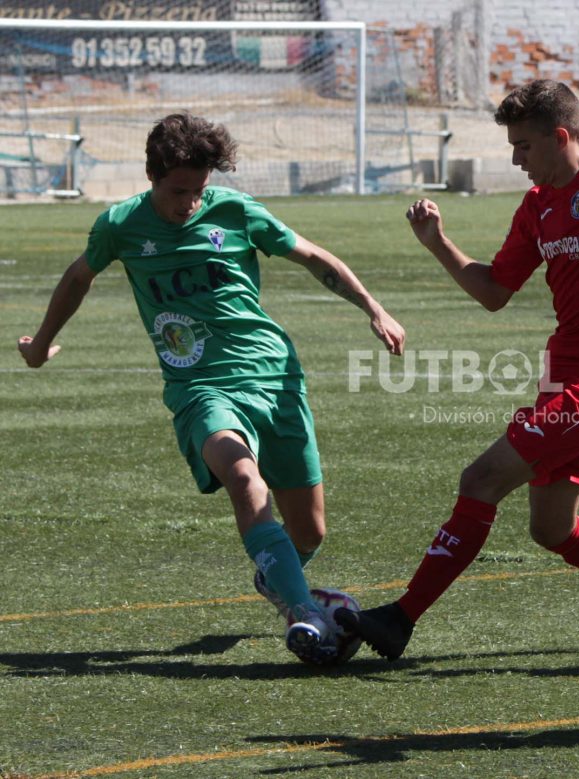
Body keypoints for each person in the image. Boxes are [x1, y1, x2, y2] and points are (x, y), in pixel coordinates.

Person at [335, 79, 579, 661]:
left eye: (523, 146)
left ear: (561, 136)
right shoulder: (538, 205)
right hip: (564, 379)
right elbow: (494, 290)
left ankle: (399, 619)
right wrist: (437, 242)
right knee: (550, 529)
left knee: (480, 481)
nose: (515, 158)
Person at [17, 113, 406, 665]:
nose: (189, 203)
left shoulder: (234, 211)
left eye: (198, 190)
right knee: (244, 479)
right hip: (200, 387)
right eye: (179, 191)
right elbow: (79, 276)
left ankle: (280, 575)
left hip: (275, 376)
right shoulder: (120, 225)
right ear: (152, 176)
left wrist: (375, 309)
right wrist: (40, 345)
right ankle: (303, 614)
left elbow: (315, 257)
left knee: (309, 533)